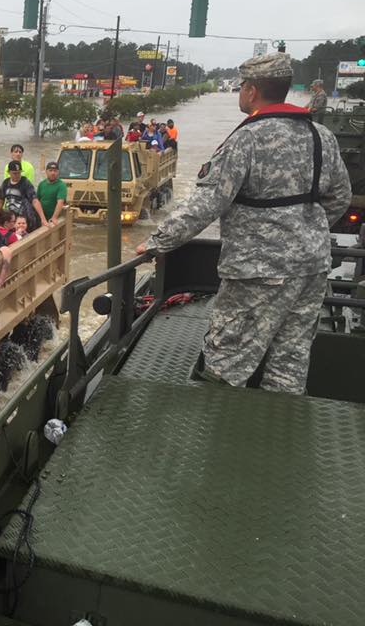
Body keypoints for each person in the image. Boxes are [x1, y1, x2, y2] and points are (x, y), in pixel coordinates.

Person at [136, 51, 351, 395]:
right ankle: (275, 430)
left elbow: (207, 202)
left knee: (224, 363)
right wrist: (301, 232)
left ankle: (215, 433)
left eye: (242, 87)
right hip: (313, 267)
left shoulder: (246, 139)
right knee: (290, 361)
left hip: (258, 270)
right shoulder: (320, 135)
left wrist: (156, 242)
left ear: (251, 91)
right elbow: (340, 196)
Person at [0, 161, 47, 231]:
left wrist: (43, 219)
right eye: (14, 173)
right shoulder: (5, 183)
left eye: (19, 173)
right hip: (11, 218)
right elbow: (0, 201)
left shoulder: (25, 182)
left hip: (25, 219)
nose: (17, 175)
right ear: (9, 172)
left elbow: (35, 201)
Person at [36, 160, 68, 226]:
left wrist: (54, 217)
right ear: (46, 172)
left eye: (55, 171)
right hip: (41, 217)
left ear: (58, 172)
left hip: (54, 218)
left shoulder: (61, 185)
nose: (53, 173)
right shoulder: (41, 184)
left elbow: (60, 202)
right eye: (50, 170)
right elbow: (37, 201)